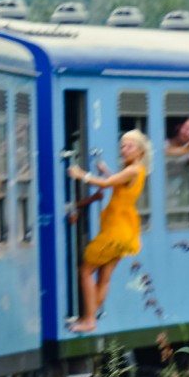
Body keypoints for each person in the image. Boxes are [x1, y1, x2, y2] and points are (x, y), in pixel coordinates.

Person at [65, 130, 151, 334]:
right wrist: (106, 170)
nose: (124, 149)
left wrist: (81, 175)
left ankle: (89, 319)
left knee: (85, 271)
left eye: (129, 146)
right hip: (126, 231)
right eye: (122, 145)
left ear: (140, 150)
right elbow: (117, 183)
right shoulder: (135, 170)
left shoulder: (134, 170)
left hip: (115, 231)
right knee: (104, 277)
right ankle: (91, 316)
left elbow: (105, 184)